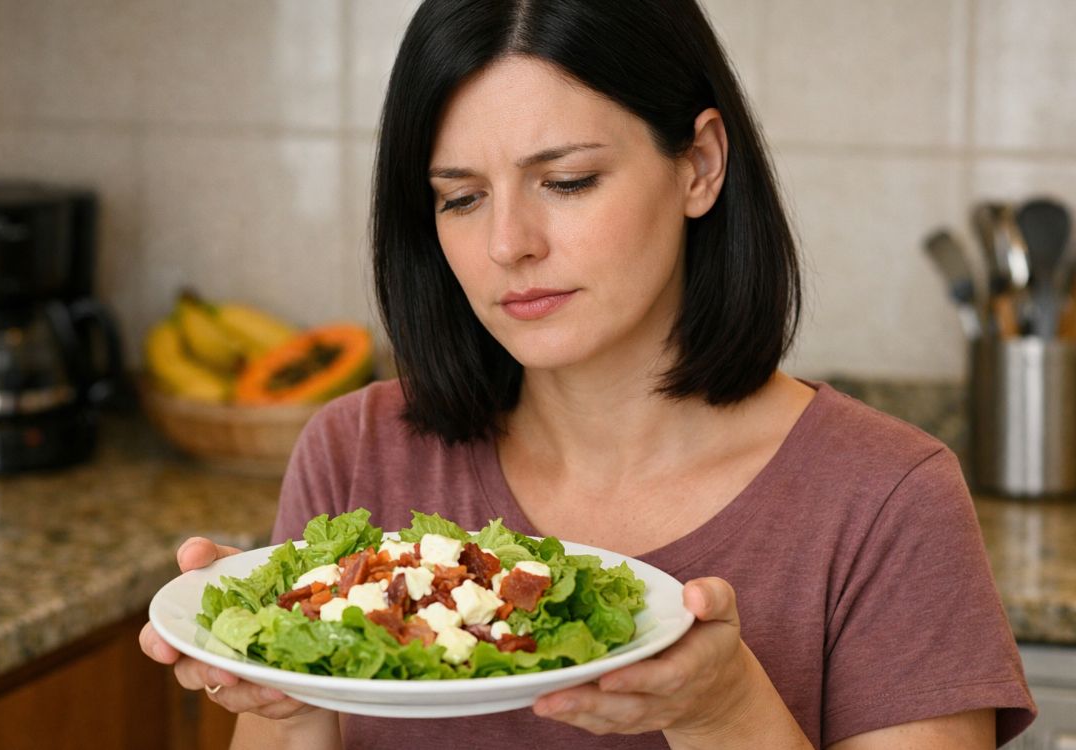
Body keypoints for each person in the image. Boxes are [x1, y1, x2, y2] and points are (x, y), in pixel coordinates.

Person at [140, 1, 1037, 747]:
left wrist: (723, 712)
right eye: (460, 197)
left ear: (700, 164)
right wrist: (287, 701)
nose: (508, 246)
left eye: (565, 181)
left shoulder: (888, 499)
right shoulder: (354, 454)